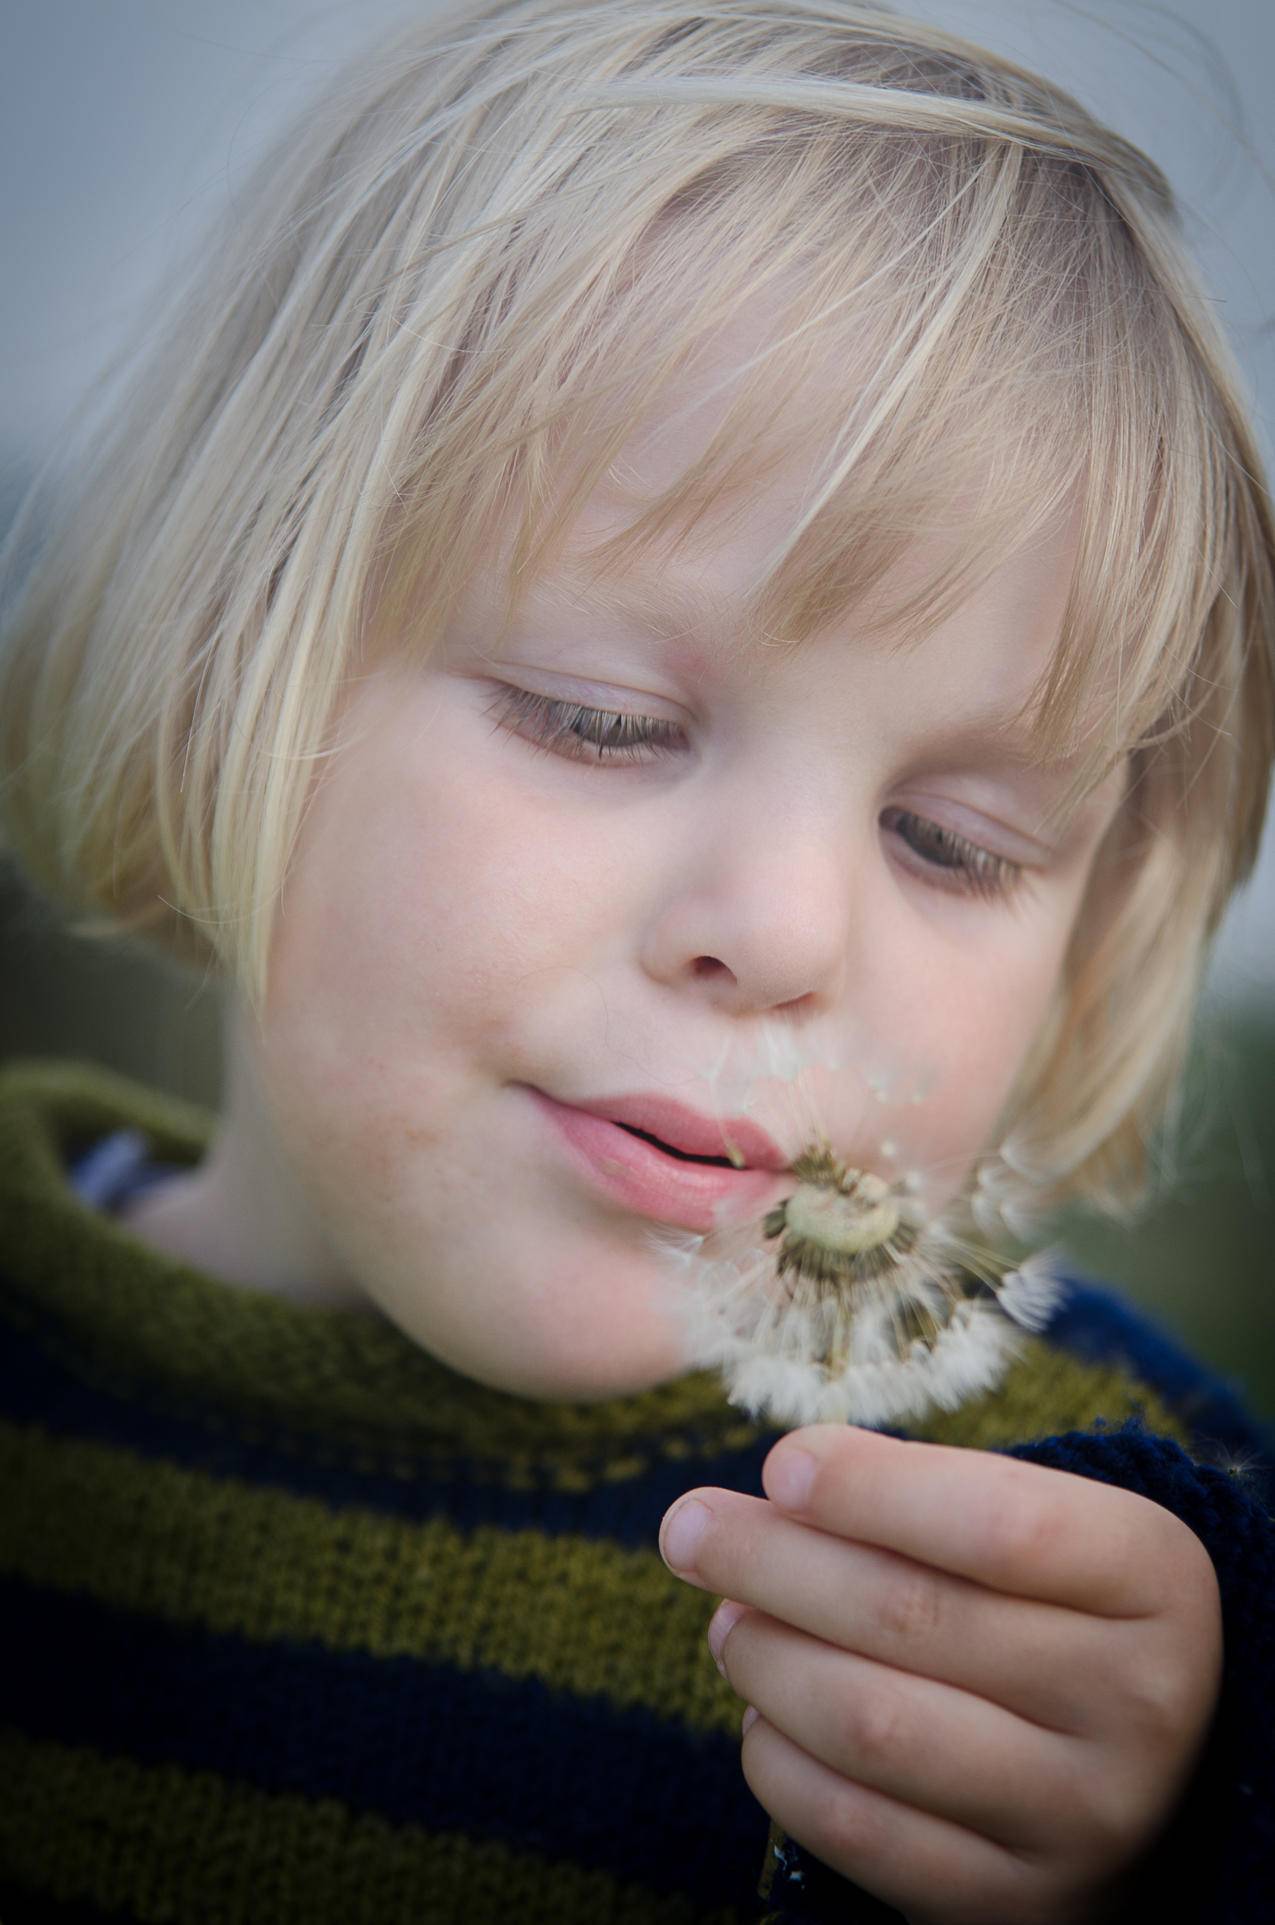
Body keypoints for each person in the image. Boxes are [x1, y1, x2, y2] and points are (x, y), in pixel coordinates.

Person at [0, 1, 1272, 1919]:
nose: (776, 931)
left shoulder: (1114, 1558)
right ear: (230, 654)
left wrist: (1190, 1845)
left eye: (951, 841)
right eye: (599, 718)